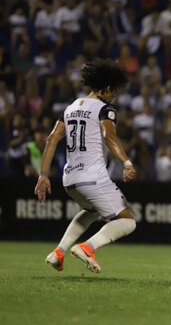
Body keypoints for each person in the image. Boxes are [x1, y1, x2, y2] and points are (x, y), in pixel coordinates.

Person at [36, 59, 137, 274]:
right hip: (93, 177)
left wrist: (43, 175)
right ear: (107, 88)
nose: (115, 96)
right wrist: (126, 163)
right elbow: (109, 136)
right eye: (115, 92)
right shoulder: (105, 109)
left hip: (70, 179)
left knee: (91, 212)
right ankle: (87, 248)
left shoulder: (71, 107)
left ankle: (59, 253)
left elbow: (51, 140)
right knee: (128, 222)